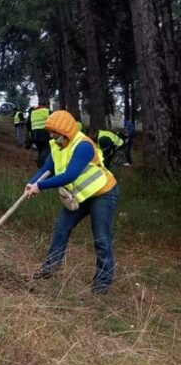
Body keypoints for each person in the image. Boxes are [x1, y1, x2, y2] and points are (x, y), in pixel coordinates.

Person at [25, 110, 119, 295]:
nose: (51, 136)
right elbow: (47, 168)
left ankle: (103, 281)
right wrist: (32, 182)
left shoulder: (83, 146)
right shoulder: (57, 146)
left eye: (54, 132)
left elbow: (70, 175)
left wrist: (41, 186)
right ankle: (49, 269)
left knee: (101, 237)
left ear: (65, 130)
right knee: (61, 227)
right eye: (49, 132)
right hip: (81, 196)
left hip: (103, 194)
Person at [27, 99, 51, 167]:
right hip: (45, 134)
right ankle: (42, 163)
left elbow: (28, 124)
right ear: (45, 105)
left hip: (35, 135)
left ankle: (41, 163)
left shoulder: (32, 113)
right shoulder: (47, 111)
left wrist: (30, 133)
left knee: (40, 149)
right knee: (46, 149)